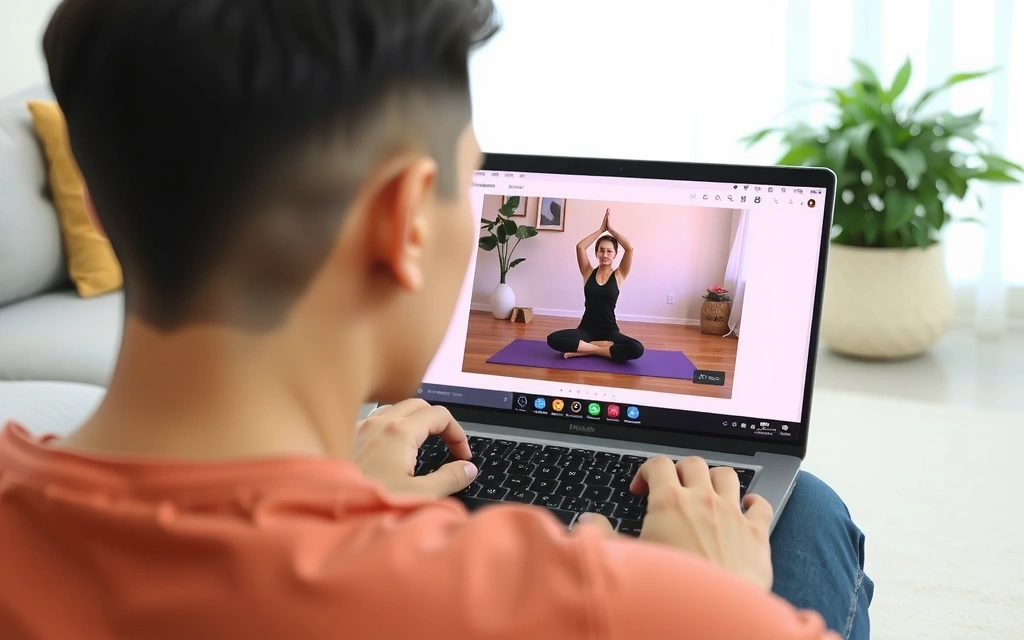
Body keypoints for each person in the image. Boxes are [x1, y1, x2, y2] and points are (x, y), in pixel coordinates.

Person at [0, 1, 872, 639]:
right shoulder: (634, 610)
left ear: (99, 208)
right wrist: (715, 604)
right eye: (470, 176)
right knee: (807, 514)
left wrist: (338, 498)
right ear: (404, 222)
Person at [546, 209, 646, 362]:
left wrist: (611, 230)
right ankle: (600, 349)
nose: (605, 255)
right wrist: (600, 230)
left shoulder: (619, 275)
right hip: (586, 330)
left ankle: (586, 349)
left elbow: (630, 248)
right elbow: (580, 247)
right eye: (601, 251)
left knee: (637, 348)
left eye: (609, 251)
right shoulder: (587, 272)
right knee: (553, 339)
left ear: (615, 254)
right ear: (597, 252)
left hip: (610, 332)